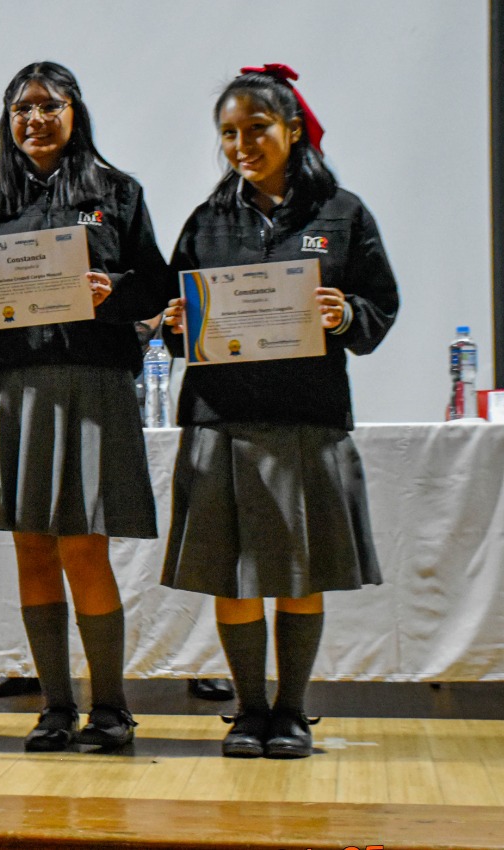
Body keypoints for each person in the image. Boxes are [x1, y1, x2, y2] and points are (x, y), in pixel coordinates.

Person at [160, 65, 398, 759]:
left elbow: (379, 305)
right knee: (231, 572)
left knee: (298, 571)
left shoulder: (343, 214)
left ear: (293, 131)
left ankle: (292, 712)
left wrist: (346, 311)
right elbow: (182, 318)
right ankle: (249, 710)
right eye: (228, 133)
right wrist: (175, 323)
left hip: (306, 418)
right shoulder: (207, 221)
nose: (242, 144)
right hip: (218, 422)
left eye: (257, 129)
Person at [0, 62, 169, 752]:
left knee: (84, 546)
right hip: (15, 393)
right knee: (31, 549)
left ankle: (111, 709)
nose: (34, 119)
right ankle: (54, 707)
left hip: (92, 385)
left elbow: (156, 288)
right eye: (21, 108)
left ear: (75, 112)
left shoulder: (117, 193)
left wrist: (115, 292)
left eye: (48, 105)